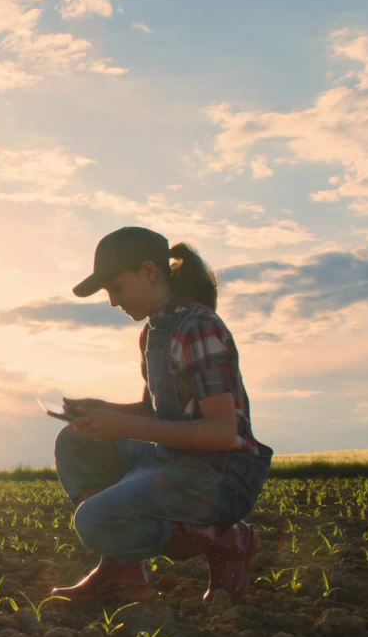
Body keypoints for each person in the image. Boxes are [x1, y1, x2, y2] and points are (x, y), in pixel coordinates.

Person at [50, 226, 273, 606]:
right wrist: (102, 410)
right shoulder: (153, 333)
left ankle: (227, 541)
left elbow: (223, 433)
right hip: (175, 461)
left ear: (150, 272)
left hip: (220, 475)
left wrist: (125, 425)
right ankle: (123, 571)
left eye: (116, 288)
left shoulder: (199, 326)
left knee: (94, 520)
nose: (113, 302)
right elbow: (155, 413)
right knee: (76, 441)